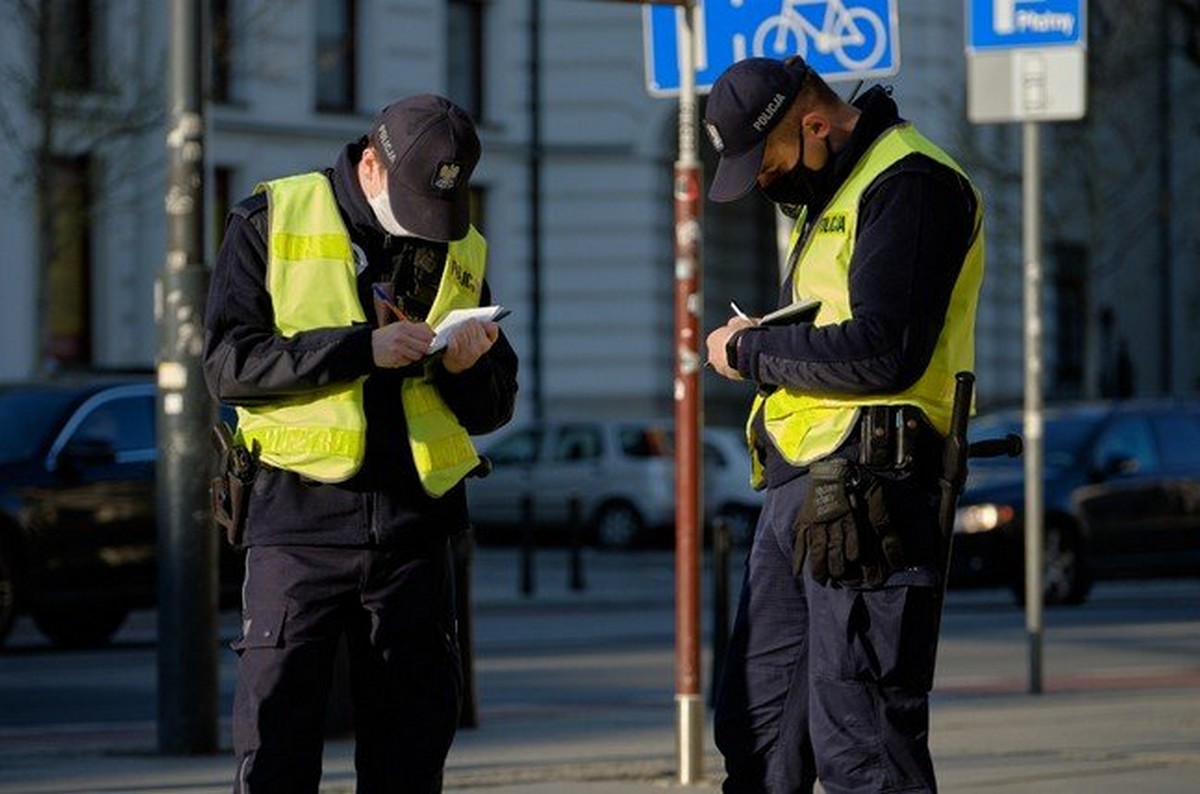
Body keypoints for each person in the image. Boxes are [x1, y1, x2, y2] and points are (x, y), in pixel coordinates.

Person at [203, 94, 518, 794]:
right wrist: (359, 349)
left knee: (410, 755)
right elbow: (229, 365)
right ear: (370, 164)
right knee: (277, 749)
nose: (424, 227)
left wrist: (470, 371)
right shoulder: (271, 217)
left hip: (414, 532)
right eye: (408, 201)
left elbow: (496, 403)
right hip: (296, 525)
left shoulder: (455, 240)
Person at [702, 57, 984, 793]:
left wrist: (752, 349)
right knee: (759, 736)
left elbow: (885, 351)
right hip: (804, 490)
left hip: (872, 494)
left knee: (861, 744)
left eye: (768, 167)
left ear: (815, 125)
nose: (766, 184)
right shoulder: (837, 191)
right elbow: (840, 335)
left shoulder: (910, 183)